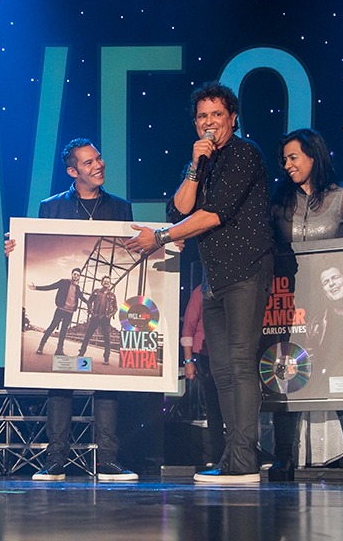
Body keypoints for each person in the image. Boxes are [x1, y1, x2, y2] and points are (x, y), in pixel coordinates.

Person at [126, 82, 274, 484]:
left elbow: (214, 213)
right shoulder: (202, 161)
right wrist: (195, 165)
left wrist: (159, 238)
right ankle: (233, 454)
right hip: (214, 277)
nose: (210, 123)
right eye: (202, 116)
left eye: (217, 115)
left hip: (246, 270)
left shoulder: (245, 154)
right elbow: (179, 209)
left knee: (240, 364)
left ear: (233, 118)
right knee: (221, 370)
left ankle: (244, 458)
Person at [5, 137, 138, 482]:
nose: (99, 165)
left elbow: (133, 250)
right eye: (89, 162)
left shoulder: (120, 208)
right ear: (72, 171)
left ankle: (108, 460)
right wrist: (16, 250)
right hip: (63, 312)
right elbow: (35, 244)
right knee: (59, 383)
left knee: (107, 387)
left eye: (99, 158)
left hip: (98, 315)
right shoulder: (51, 207)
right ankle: (55, 461)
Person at [265, 128, 343, 483]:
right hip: (292, 304)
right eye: (284, 159)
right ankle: (284, 457)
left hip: (333, 304)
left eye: (293, 157)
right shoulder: (279, 204)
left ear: (314, 155)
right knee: (287, 373)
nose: (287, 165)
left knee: (342, 370)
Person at [181, 284, 225, 467]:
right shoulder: (201, 291)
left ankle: (235, 453)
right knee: (213, 405)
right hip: (205, 354)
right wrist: (188, 361)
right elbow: (188, 327)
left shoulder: (233, 286)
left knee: (231, 406)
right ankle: (218, 454)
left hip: (230, 353)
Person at [30, 268, 86, 357]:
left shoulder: (77, 288)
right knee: (51, 327)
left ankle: (59, 350)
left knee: (63, 331)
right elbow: (51, 286)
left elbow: (82, 297)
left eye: (78, 275)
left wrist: (90, 304)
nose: (76, 276)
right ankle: (41, 346)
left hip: (70, 312)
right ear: (72, 274)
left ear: (79, 277)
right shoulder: (64, 282)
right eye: (74, 274)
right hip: (60, 309)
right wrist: (37, 287)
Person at [77, 275, 118, 365]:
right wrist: (91, 311)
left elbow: (115, 308)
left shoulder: (112, 295)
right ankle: (81, 353)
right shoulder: (96, 292)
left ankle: (106, 358)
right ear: (101, 282)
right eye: (105, 281)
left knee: (107, 339)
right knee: (87, 336)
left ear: (110, 284)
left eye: (108, 282)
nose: (106, 283)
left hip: (105, 319)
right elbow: (89, 302)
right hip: (95, 317)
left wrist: (109, 315)